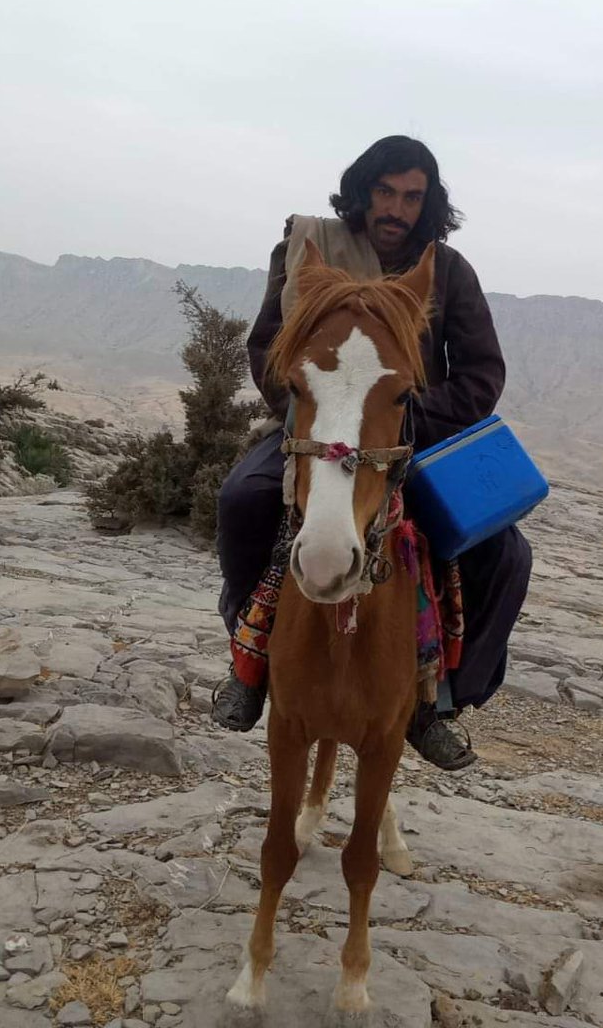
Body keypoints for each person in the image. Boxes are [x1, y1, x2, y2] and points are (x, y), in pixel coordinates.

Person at [211, 135, 532, 770]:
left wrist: (400, 418)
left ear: (428, 203)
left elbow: (481, 376)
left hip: (410, 438)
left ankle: (437, 703)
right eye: (385, 192)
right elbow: (266, 348)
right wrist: (318, 416)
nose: (396, 208)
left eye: (412, 197)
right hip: (317, 429)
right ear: (362, 191)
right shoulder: (308, 250)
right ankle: (250, 664)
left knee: (505, 552)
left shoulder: (448, 271)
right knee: (243, 499)